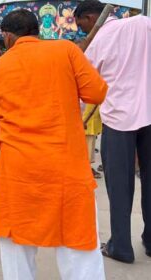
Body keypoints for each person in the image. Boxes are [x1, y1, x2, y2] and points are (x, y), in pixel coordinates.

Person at [0, 10, 108, 279]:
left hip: (17, 172)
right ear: (37, 30)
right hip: (67, 171)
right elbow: (97, 92)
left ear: (6, 35)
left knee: (17, 250)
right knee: (79, 248)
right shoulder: (66, 50)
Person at [75, 0, 151, 263]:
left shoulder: (97, 41)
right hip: (149, 114)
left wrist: (74, 116)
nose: (83, 30)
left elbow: (85, 88)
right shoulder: (145, 23)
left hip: (119, 121)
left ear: (90, 16)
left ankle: (121, 246)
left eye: (81, 24)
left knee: (120, 186)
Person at [83, 104, 102, 179]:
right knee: (88, 142)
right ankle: (86, 168)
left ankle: (87, 167)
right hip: (85, 115)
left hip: (92, 114)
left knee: (91, 141)